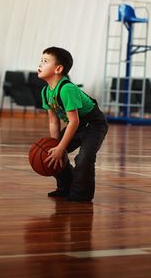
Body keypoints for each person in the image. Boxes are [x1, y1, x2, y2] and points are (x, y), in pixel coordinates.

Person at [38, 46, 108, 202]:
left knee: (84, 158)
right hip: (78, 125)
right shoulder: (45, 91)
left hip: (94, 124)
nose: (40, 64)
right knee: (51, 153)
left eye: (45, 61)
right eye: (40, 60)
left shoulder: (66, 89)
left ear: (58, 69)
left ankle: (80, 195)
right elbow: (53, 120)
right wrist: (55, 145)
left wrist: (61, 147)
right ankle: (65, 187)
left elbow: (74, 121)